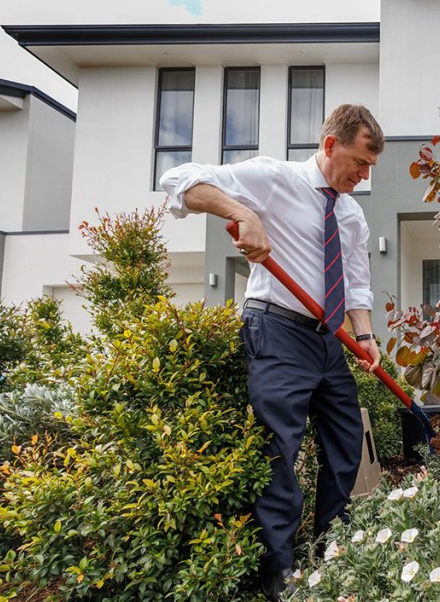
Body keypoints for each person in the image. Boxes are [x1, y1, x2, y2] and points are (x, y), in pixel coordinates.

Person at [160, 104, 384, 600]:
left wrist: (364, 336)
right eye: (359, 164)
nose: (363, 176)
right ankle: (280, 575)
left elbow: (356, 282)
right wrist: (243, 212)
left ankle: (332, 548)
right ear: (330, 145)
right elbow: (178, 179)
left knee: (347, 442)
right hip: (277, 328)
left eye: (370, 169)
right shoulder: (273, 177)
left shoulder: (350, 213)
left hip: (328, 339)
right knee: (280, 453)